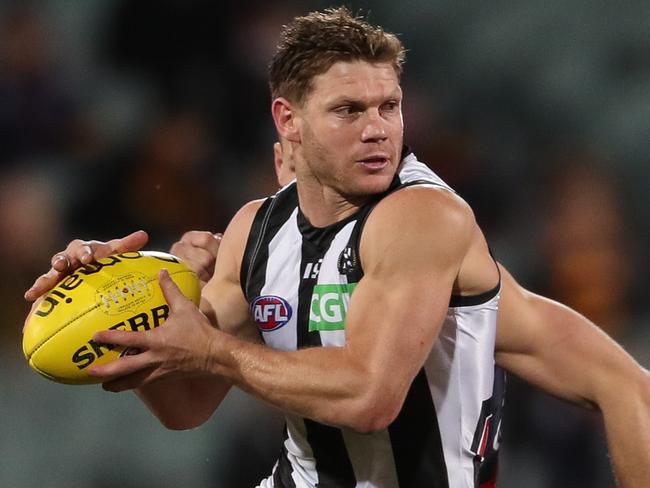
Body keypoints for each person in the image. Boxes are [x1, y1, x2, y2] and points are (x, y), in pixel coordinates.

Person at [24, 7, 649, 488]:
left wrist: (212, 348)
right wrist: (124, 308)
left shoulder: (424, 218)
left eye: (390, 106)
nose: (378, 128)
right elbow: (186, 407)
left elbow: (369, 397)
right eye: (349, 110)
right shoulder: (253, 231)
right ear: (287, 123)